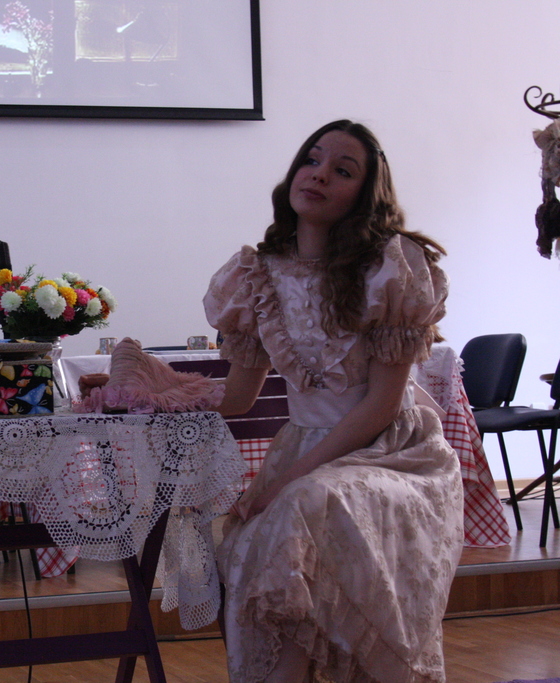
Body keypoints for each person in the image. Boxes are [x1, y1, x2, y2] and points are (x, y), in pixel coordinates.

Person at [204, 120, 464, 683]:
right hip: (307, 453)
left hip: (393, 452)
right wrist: (147, 390)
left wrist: (283, 482)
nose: (319, 174)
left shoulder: (389, 267)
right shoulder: (255, 276)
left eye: (342, 170)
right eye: (312, 160)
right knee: (264, 545)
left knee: (303, 506)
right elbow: (238, 398)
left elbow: (381, 408)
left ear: (364, 195)